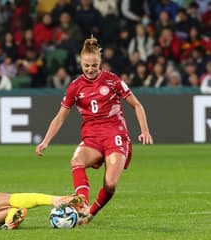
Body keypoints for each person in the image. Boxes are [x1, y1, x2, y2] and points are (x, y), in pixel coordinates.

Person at [35, 35, 153, 225]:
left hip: (116, 136)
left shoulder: (113, 80)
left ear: (100, 64)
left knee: (110, 184)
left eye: (94, 66)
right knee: (76, 160)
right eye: (86, 66)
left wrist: (144, 130)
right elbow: (60, 117)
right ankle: (82, 205)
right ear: (81, 63)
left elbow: (137, 105)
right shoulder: (75, 86)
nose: (90, 70)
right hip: (92, 138)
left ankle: (90, 213)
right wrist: (45, 141)